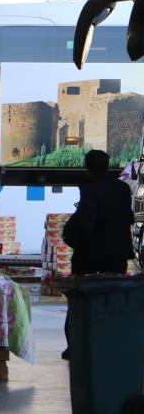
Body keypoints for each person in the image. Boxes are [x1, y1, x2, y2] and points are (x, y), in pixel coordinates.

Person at [61, 149, 134, 359]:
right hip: (117, 254)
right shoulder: (122, 189)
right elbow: (127, 217)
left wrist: (75, 240)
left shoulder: (89, 187)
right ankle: (114, 343)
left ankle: (75, 347)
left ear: (88, 168)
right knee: (115, 299)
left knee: (79, 299)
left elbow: (86, 218)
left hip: (90, 254)